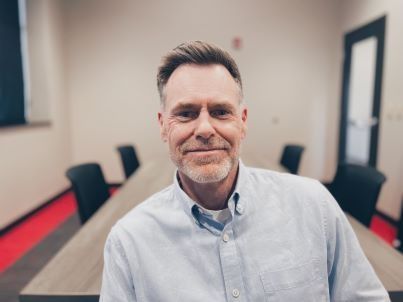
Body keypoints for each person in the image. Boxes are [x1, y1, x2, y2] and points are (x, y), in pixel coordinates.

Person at [100, 41, 389, 301]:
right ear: (163, 125)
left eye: (221, 112)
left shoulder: (314, 207)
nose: (204, 129)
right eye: (186, 113)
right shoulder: (129, 242)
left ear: (243, 121)